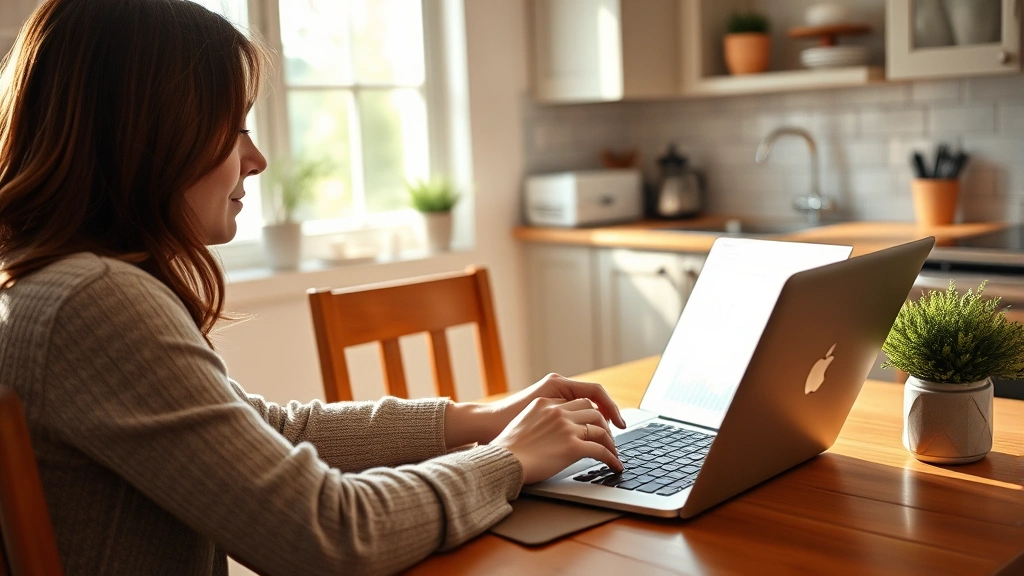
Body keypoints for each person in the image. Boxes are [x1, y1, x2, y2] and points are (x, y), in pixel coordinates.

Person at [0, 0, 626, 574]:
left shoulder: (55, 285)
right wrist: (508, 460)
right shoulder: (93, 300)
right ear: (151, 133)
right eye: (235, 128)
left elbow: (273, 428)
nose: (257, 159)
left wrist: (483, 419)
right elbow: (329, 535)